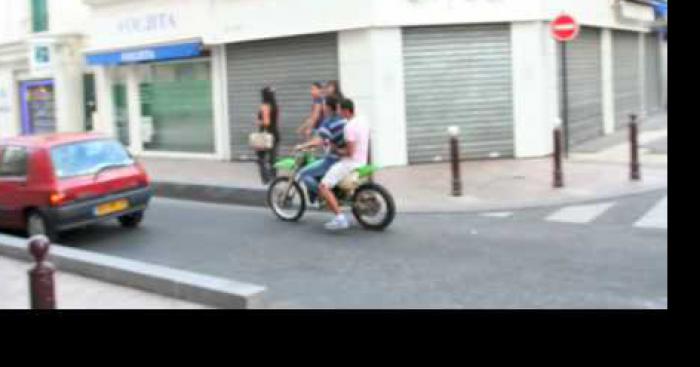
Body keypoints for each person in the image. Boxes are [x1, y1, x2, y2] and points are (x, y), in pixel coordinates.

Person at [318, 98, 369, 230]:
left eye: (340, 109)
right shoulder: (363, 120)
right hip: (362, 161)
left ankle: (340, 219)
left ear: (346, 111)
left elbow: (349, 152)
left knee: (323, 186)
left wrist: (335, 149)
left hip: (350, 163)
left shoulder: (349, 127)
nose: (338, 112)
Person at [294, 96, 346, 206]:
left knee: (302, 173)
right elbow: (325, 140)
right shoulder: (343, 119)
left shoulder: (328, 122)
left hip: (332, 160)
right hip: (343, 158)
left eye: (323, 105)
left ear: (327, 107)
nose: (322, 107)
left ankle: (325, 195)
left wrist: (302, 146)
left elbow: (318, 141)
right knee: (317, 164)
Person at [255, 86, 280, 184]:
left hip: (265, 136)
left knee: (261, 158)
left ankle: (266, 179)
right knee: (273, 159)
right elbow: (275, 121)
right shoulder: (275, 105)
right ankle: (274, 180)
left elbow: (266, 122)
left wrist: (259, 122)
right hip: (275, 134)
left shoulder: (265, 106)